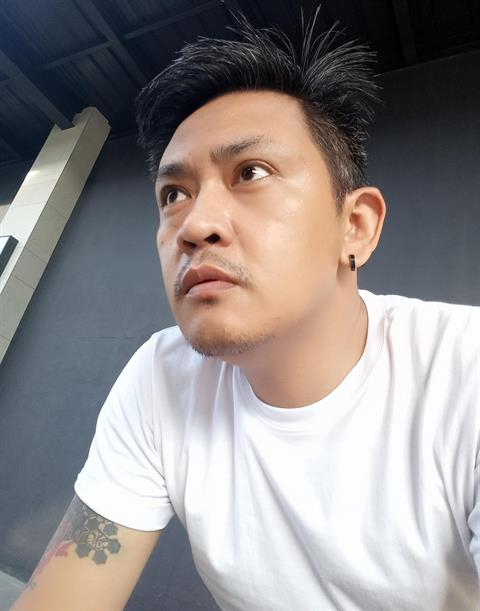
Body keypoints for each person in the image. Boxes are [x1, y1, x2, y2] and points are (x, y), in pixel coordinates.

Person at [12, 11, 480, 611]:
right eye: (174, 194)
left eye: (251, 172)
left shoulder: (464, 374)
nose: (195, 224)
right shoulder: (161, 380)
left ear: (356, 226)